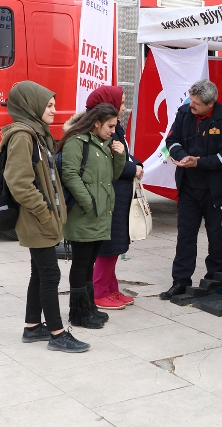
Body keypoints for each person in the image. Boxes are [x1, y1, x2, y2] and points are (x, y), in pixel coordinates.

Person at [1, 81, 89, 352]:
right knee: (50, 275)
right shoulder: (23, 136)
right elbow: (18, 182)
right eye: (48, 105)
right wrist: (44, 212)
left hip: (42, 218)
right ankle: (57, 333)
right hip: (36, 219)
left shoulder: (36, 133)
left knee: (39, 274)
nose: (53, 110)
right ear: (32, 106)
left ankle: (32, 326)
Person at [160, 79, 222, 300]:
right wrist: (182, 156)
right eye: (191, 101)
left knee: (216, 238)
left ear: (210, 103)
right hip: (188, 188)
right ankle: (180, 282)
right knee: (185, 237)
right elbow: (171, 140)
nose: (191, 105)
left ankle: (215, 282)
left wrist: (199, 162)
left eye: (196, 103)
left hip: (216, 190)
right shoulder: (184, 113)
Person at [58, 103, 126, 328]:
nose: (113, 131)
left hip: (99, 214)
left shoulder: (104, 143)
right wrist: (89, 204)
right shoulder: (76, 141)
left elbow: (113, 177)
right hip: (84, 214)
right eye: (110, 126)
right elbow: (69, 175)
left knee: (89, 265)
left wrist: (119, 156)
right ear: (96, 123)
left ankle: (88, 307)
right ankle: (78, 314)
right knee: (81, 264)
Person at [76, 87, 144, 310]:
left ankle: (111, 288)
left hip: (119, 195)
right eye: (121, 102)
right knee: (108, 247)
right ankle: (100, 291)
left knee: (115, 245)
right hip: (109, 194)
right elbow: (108, 162)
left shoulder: (115, 127)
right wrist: (132, 169)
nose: (124, 107)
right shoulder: (99, 130)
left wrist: (136, 163)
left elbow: (123, 153)